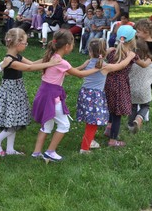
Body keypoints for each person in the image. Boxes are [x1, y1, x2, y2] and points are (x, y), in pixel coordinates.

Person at [31, 29, 100, 162]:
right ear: (67, 46)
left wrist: (82, 66)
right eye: (72, 44)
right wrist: (96, 69)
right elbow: (79, 75)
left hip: (43, 95)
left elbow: (66, 72)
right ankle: (50, 152)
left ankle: (36, 152)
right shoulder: (62, 62)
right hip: (52, 98)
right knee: (64, 125)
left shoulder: (51, 57)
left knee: (46, 125)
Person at [0, 28, 60, 156]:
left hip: (17, 90)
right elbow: (29, 68)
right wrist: (50, 64)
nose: (26, 45)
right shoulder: (9, 60)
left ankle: (10, 149)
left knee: (14, 120)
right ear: (17, 43)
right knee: (13, 121)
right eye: (25, 43)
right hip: (10, 92)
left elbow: (32, 63)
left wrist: (48, 58)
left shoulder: (17, 56)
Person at [76, 38, 138, 153]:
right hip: (95, 96)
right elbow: (121, 65)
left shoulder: (88, 62)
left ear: (90, 51)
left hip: (84, 94)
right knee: (93, 123)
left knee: (90, 120)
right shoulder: (104, 66)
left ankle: (90, 140)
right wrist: (130, 57)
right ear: (104, 52)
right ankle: (85, 148)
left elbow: (76, 71)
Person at [103, 25, 151, 147]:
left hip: (108, 83)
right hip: (120, 86)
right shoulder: (131, 55)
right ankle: (113, 141)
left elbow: (100, 56)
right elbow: (144, 65)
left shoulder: (111, 51)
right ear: (132, 40)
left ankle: (108, 128)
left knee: (111, 107)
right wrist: (149, 60)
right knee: (117, 113)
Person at [127, 39, 152, 133]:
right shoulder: (148, 62)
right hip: (144, 90)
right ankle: (139, 118)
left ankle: (131, 126)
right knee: (145, 106)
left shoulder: (130, 62)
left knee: (133, 107)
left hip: (132, 89)